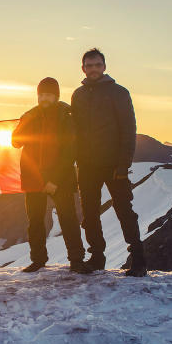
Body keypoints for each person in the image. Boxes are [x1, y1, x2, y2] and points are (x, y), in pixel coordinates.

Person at [71, 48, 147, 277]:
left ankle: (139, 261)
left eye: (97, 65)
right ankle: (97, 258)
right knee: (90, 213)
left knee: (125, 211)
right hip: (86, 164)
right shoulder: (78, 95)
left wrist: (123, 164)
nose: (93, 69)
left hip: (114, 164)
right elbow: (73, 130)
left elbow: (128, 129)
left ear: (104, 67)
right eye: (89, 65)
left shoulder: (119, 93)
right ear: (83, 68)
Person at [12, 78, 91, 274]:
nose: (44, 98)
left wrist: (54, 180)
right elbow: (15, 142)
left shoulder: (66, 116)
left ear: (56, 96)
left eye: (48, 95)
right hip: (33, 176)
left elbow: (69, 151)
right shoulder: (31, 116)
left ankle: (76, 260)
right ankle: (38, 260)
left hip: (60, 177)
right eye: (41, 95)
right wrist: (26, 120)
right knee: (35, 220)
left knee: (68, 218)